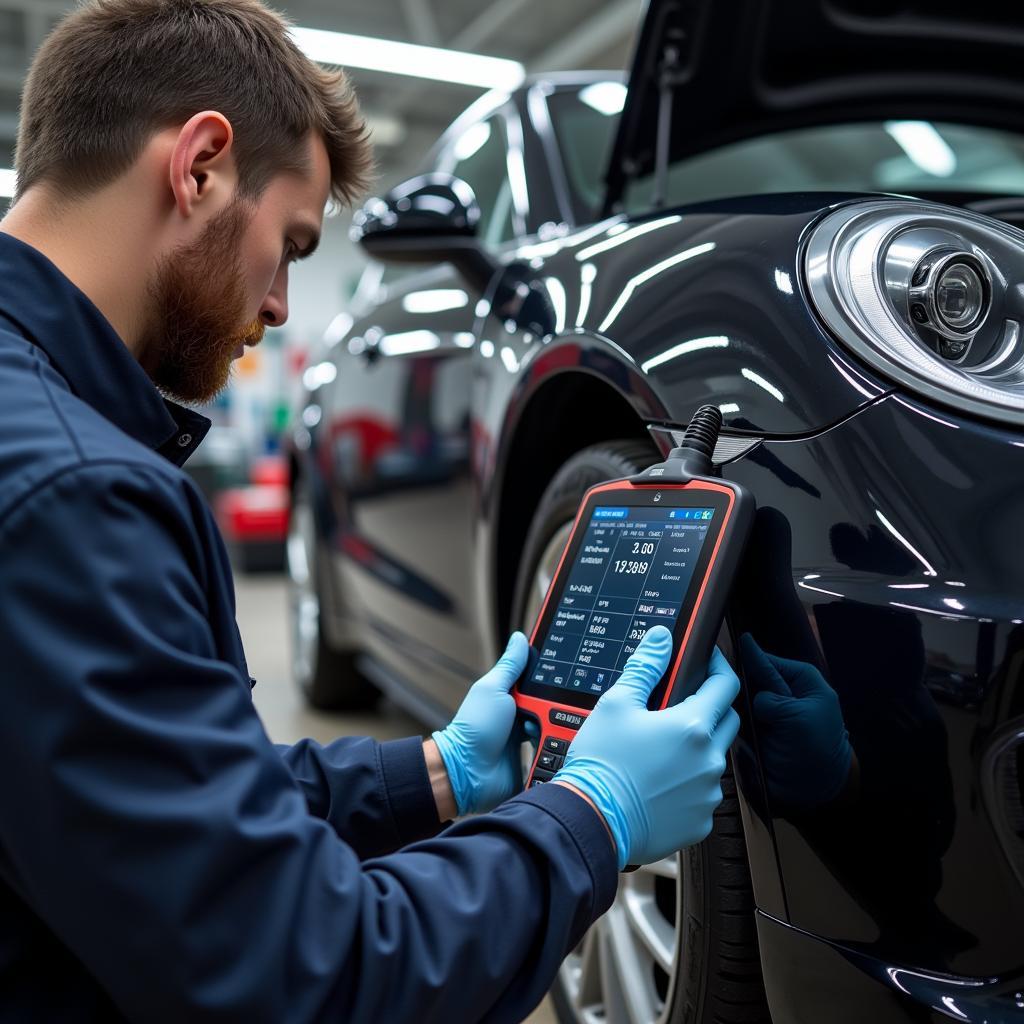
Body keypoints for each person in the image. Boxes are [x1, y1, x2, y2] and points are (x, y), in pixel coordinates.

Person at [0, 1, 741, 1021]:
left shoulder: (36, 434)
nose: (279, 308)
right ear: (201, 165)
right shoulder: (75, 497)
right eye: (293, 245)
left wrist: (431, 773)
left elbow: (153, 800)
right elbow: (302, 972)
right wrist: (590, 815)